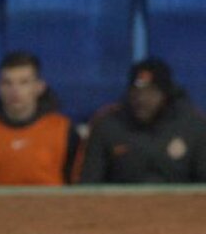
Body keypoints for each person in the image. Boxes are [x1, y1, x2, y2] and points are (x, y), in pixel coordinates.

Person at [76, 58, 206, 183]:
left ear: (166, 94)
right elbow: (88, 183)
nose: (141, 99)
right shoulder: (107, 126)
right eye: (136, 92)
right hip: (121, 204)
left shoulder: (193, 127)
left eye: (151, 92)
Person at [0, 51, 79, 186]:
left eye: (24, 82)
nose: (15, 90)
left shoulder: (63, 129)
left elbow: (79, 186)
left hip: (52, 206)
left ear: (39, 87)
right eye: (7, 83)